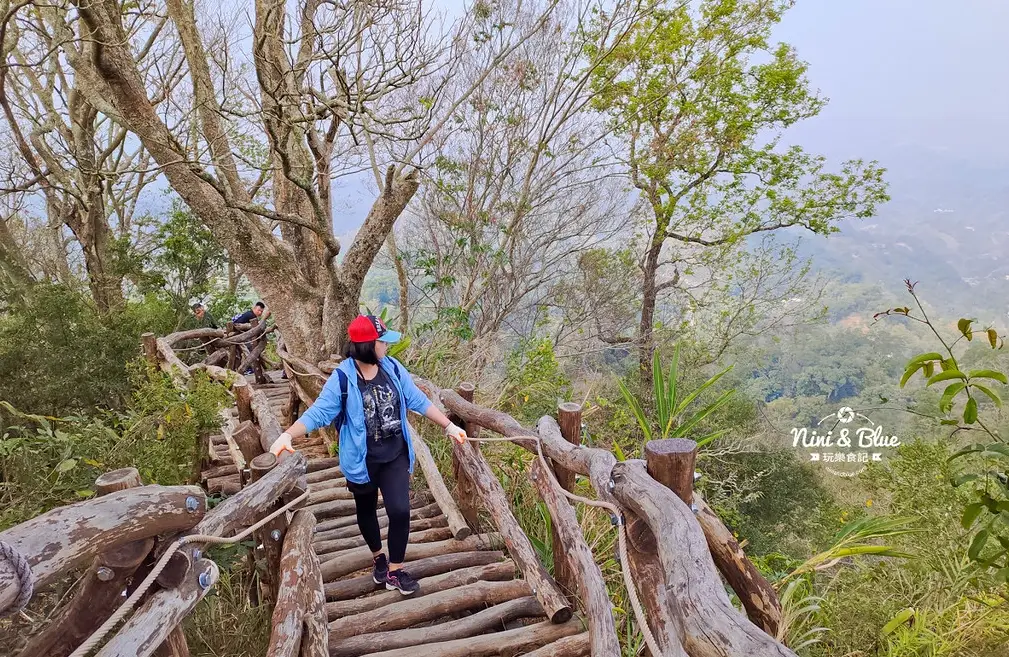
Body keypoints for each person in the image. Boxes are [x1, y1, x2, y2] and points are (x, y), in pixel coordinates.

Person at [269, 315, 467, 595]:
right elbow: (320, 412)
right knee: (366, 510)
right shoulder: (343, 378)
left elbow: (417, 400)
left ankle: (395, 572)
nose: (386, 346)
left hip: (395, 455)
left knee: (400, 511)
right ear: (367, 346)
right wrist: (288, 434)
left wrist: (449, 426)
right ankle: (379, 558)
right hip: (361, 461)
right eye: (382, 341)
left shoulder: (393, 369)